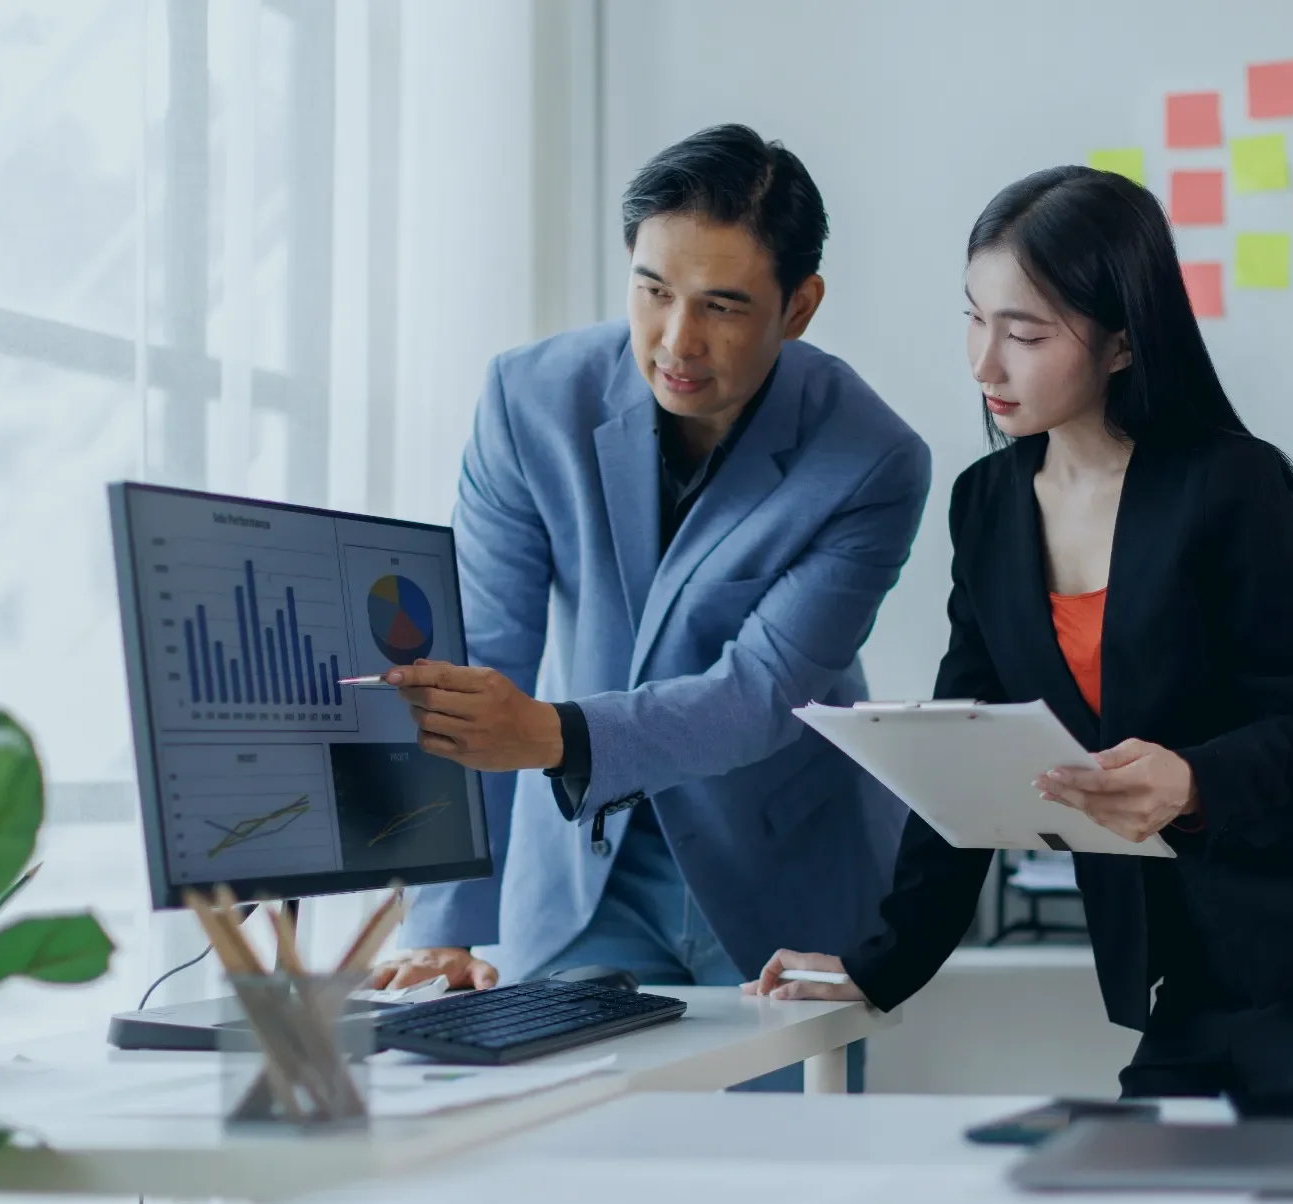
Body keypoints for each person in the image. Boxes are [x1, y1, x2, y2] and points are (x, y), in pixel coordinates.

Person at [748, 166, 1293, 1100]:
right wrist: (884, 963)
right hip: (1190, 983)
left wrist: (1194, 779)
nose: (983, 363)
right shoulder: (989, 506)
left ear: (1123, 343)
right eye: (974, 317)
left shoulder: (1235, 487)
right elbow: (959, 751)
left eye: (1026, 333)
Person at [367, 126, 929, 1093]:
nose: (676, 340)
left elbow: (758, 694)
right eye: (652, 289)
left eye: (722, 306)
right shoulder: (528, 399)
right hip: (584, 878)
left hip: (778, 890)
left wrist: (545, 729)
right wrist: (450, 925)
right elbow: (477, 658)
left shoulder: (874, 457)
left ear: (800, 307)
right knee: (567, 1196)